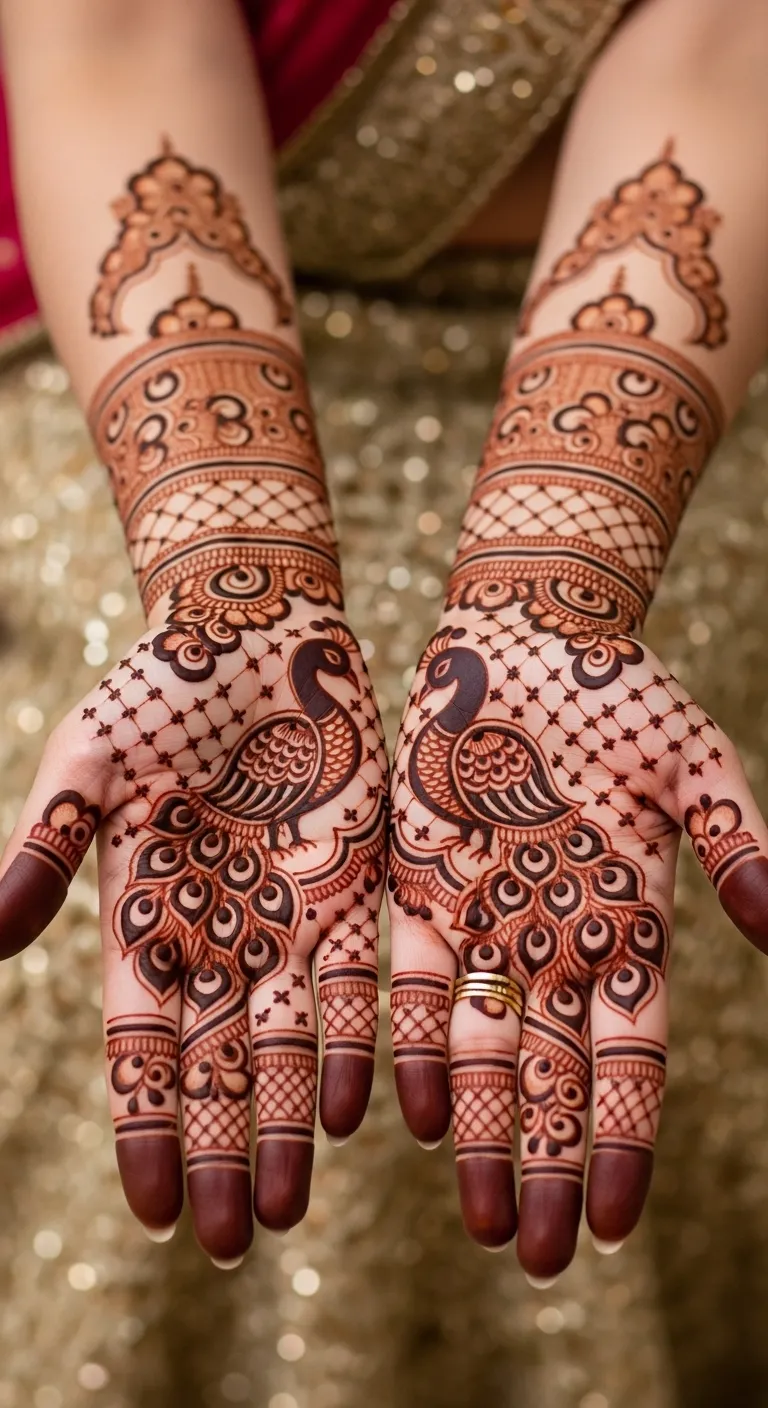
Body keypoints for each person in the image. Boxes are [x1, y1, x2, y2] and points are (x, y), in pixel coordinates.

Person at [0, 0, 765, 1294]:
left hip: (666, 375)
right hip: (167, 358)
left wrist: (558, 577)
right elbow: (115, 25)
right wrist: (231, 576)